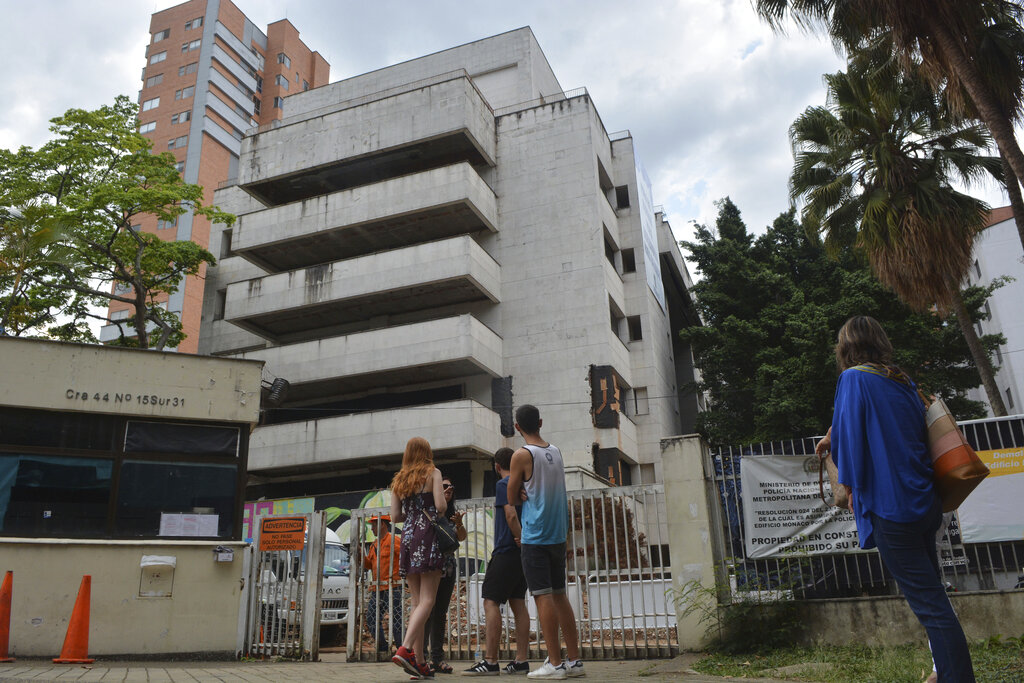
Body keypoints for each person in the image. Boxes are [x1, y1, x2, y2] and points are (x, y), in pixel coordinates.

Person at [816, 316, 974, 682]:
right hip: (925, 502)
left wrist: (851, 488)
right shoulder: (901, 380)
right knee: (934, 599)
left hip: (891, 506)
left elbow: (851, 438)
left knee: (932, 606)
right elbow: (872, 425)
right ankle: (943, 672)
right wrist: (832, 434)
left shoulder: (853, 378)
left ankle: (957, 677)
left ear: (846, 348)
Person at [507, 405, 584, 680]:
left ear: (517, 427)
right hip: (557, 533)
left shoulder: (521, 454)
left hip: (535, 535)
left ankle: (555, 662)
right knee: (560, 594)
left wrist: (520, 494)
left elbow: (511, 495)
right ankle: (574, 661)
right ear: (540, 422)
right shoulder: (556, 451)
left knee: (542, 596)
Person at [465, 447, 532, 676]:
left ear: (497, 466)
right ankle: (521, 660)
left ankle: (491, 661)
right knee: (518, 602)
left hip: (507, 549)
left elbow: (510, 514)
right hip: (523, 554)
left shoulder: (504, 484)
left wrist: (520, 538)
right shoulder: (526, 486)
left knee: (490, 601)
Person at [390, 436, 447, 680]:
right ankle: (405, 649)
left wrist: (412, 516)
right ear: (426, 452)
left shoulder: (399, 479)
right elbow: (441, 507)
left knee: (416, 602)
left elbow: (394, 516)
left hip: (408, 537)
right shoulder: (434, 472)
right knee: (428, 600)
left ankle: (420, 662)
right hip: (428, 536)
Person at [423, 475, 467, 674]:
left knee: (440, 614)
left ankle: (437, 660)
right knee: (426, 612)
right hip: (431, 568)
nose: (449, 489)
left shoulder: (451, 514)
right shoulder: (429, 512)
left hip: (448, 569)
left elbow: (462, 538)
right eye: (444, 486)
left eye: (451, 487)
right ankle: (420, 657)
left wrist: (458, 523)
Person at [362, 515, 403, 652]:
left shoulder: (395, 541)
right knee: (372, 618)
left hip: (394, 587)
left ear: (383, 525)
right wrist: (359, 555)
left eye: (374, 525)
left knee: (396, 620)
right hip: (377, 588)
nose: (372, 528)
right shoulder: (374, 544)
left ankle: (401, 648)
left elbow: (405, 557)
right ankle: (383, 648)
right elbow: (368, 564)